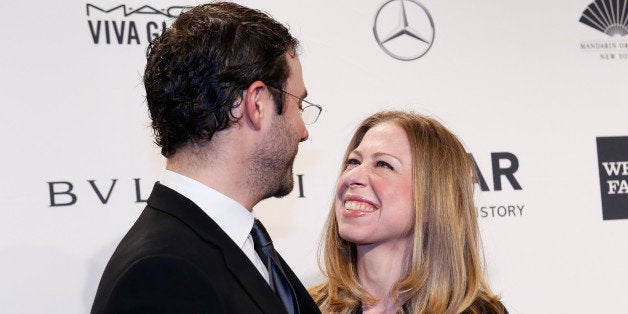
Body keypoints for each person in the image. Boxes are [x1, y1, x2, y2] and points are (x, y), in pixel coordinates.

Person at [91, 2, 322, 313]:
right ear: (256, 105)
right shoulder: (162, 275)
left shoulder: (238, 242)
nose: (303, 130)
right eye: (298, 105)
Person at [309, 111, 506, 314]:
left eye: (383, 164)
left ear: (431, 201)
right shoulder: (303, 306)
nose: (352, 176)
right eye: (353, 162)